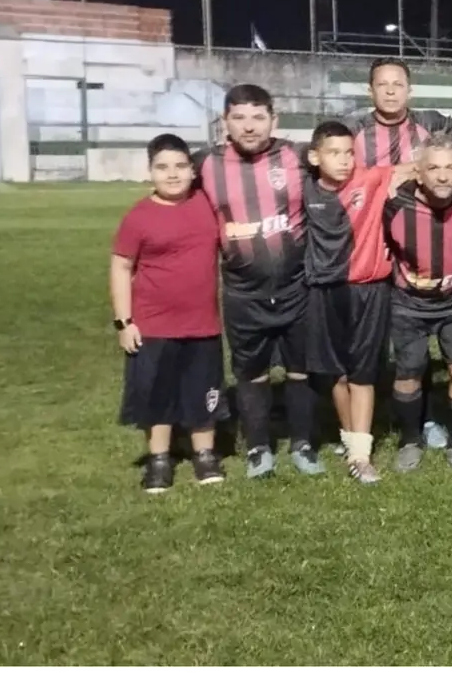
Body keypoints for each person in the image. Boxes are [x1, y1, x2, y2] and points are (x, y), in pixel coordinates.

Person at [195, 84, 321, 478]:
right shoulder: (204, 164)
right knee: (252, 372)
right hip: (242, 291)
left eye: (258, 117)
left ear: (274, 120)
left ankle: (302, 444)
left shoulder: (299, 157)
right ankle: (258, 449)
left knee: (301, 369)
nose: (249, 127)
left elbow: (347, 160)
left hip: (297, 287)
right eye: (239, 118)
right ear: (225, 122)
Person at [300, 120, 414, 484]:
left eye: (350, 152)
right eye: (334, 153)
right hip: (323, 291)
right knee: (336, 372)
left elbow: (421, 166)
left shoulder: (372, 179)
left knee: (363, 371)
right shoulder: (303, 192)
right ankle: (351, 438)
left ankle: (361, 456)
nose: (345, 160)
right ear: (315, 157)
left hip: (369, 289)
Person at [112, 134, 226, 492]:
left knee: (202, 393)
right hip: (153, 326)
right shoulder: (139, 216)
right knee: (157, 394)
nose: (173, 174)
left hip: (202, 324)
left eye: (180, 166)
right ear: (150, 172)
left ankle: (204, 455)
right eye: (163, 167)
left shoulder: (207, 205)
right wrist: (124, 322)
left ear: (193, 170)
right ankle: (159, 460)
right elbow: (120, 267)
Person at [383, 135, 452, 472]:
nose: (442, 176)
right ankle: (410, 440)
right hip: (407, 303)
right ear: (417, 172)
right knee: (409, 371)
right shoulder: (394, 203)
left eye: (451, 168)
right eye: (433, 168)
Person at [343, 58, 452, 168]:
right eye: (382, 84)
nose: (390, 91)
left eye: (398, 84)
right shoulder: (352, 130)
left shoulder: (429, 123)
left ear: (409, 92)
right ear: (371, 91)